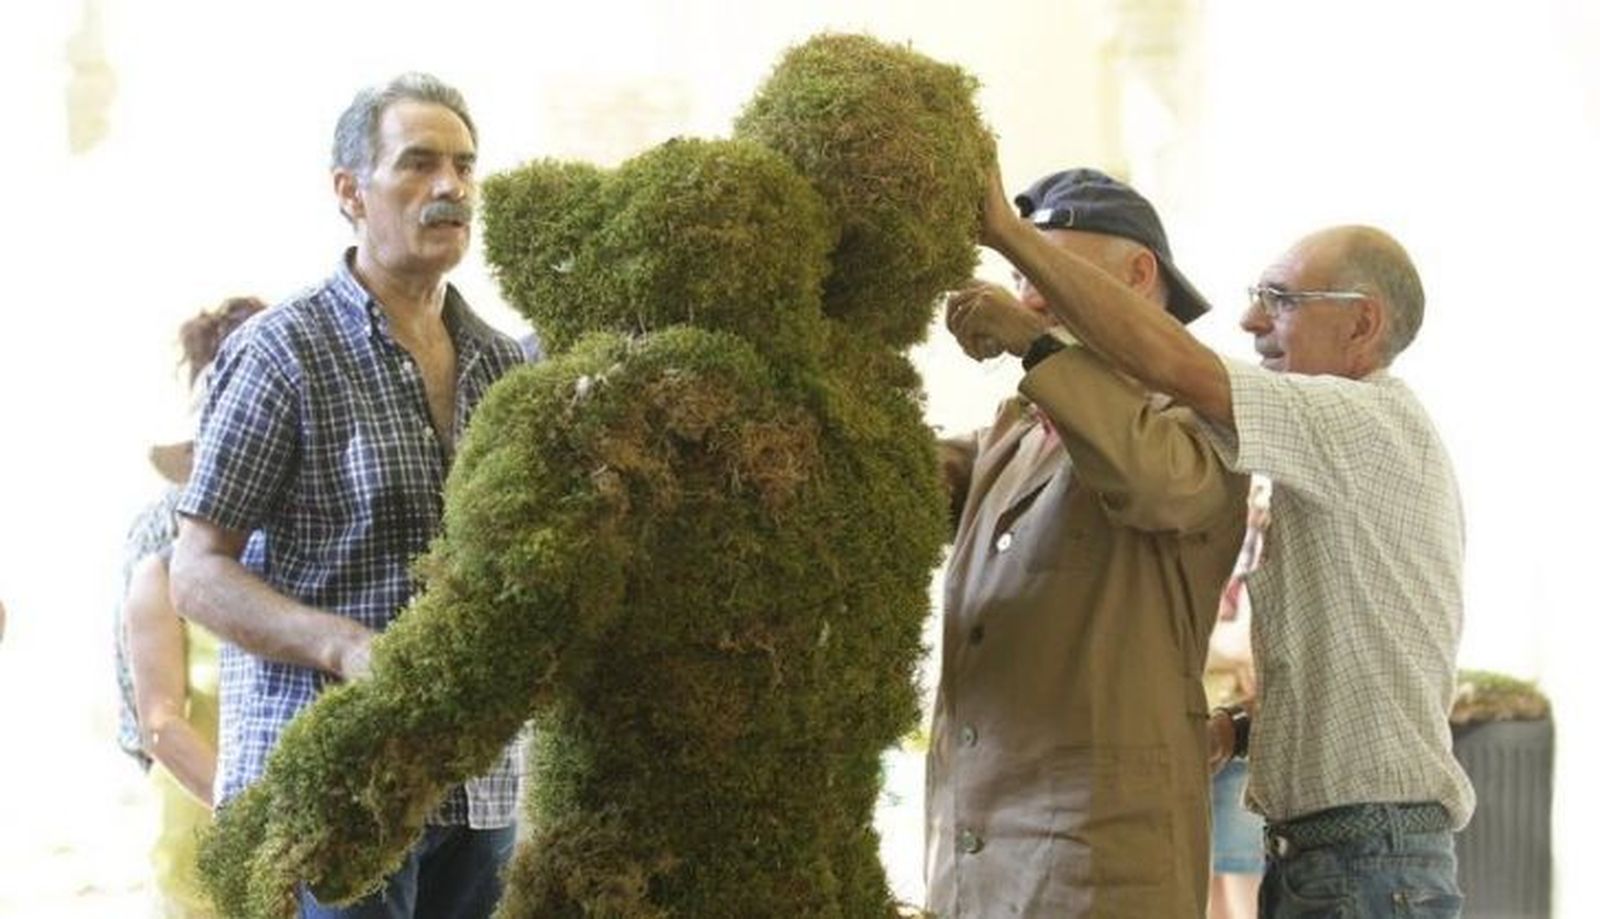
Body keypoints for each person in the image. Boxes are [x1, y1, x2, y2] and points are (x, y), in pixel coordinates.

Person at [953, 164, 1475, 916]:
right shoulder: (1325, 450)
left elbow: (1179, 369)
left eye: (1281, 299)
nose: (1252, 321)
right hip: (1331, 858)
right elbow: (1364, 670)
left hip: (1369, 863)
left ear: (1362, 324)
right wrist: (1238, 730)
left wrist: (1010, 247)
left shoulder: (1362, 421)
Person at [169, 73, 526, 919]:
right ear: (350, 192)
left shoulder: (504, 363)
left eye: (465, 166)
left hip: (480, 793)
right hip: (332, 794)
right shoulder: (283, 352)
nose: (450, 187)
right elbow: (196, 572)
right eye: (419, 163)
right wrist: (343, 646)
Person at [929, 169, 1249, 917]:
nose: (1028, 297)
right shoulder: (1016, 426)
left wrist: (1036, 349)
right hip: (979, 856)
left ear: (1138, 275)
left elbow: (1154, 482)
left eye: (1044, 269)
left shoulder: (1205, 415)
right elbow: (901, 482)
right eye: (1019, 276)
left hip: (1099, 860)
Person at [121, 296, 266, 918]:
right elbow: (151, 721)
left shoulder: (303, 554)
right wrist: (254, 819)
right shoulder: (157, 557)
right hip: (204, 838)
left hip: (302, 845)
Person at [1204, 480, 1270, 919]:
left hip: (1240, 739)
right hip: (1198, 731)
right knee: (1209, 879)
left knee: (1240, 879)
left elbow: (1245, 644)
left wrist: (1212, 647)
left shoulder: (1259, 558)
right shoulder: (1212, 558)